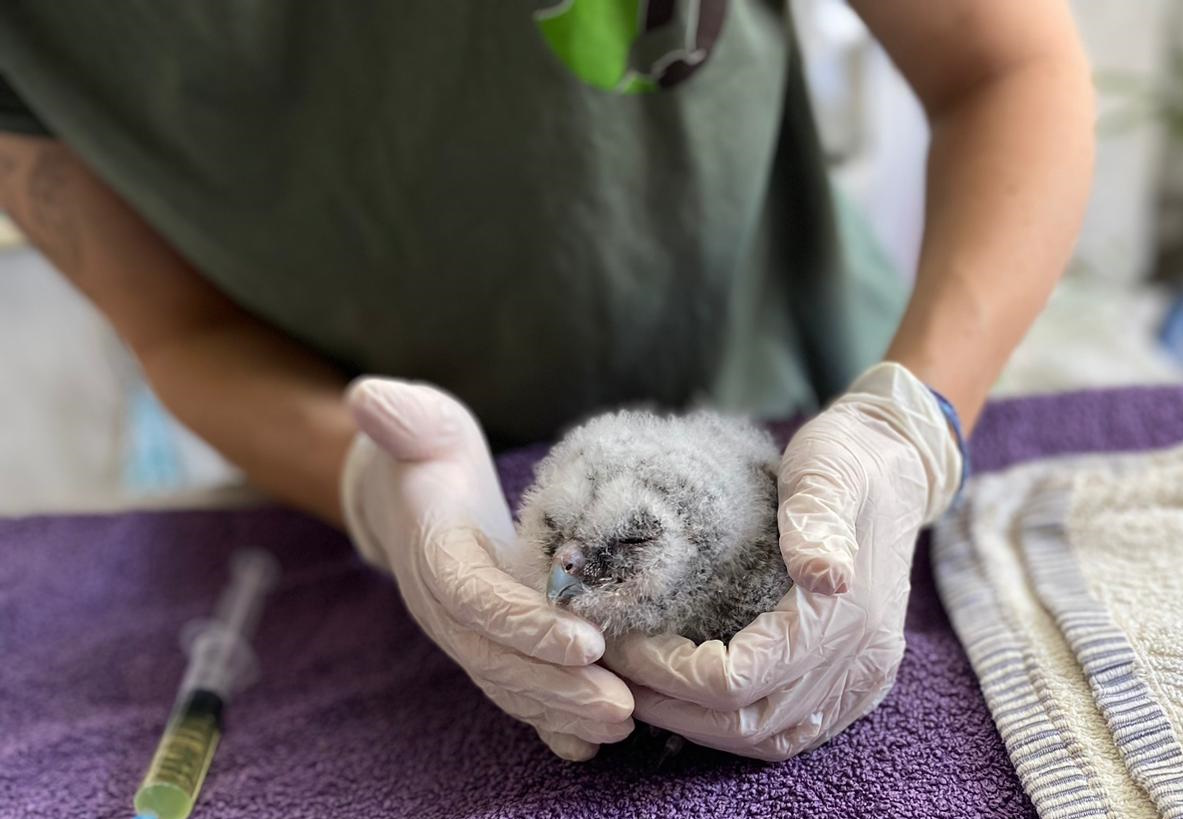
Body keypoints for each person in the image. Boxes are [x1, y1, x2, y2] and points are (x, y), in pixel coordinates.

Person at [0, 1, 1093, 761]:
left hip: (806, 390)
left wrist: (911, 420)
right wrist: (376, 481)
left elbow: (1004, 65)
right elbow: (180, 327)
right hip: (362, 467)